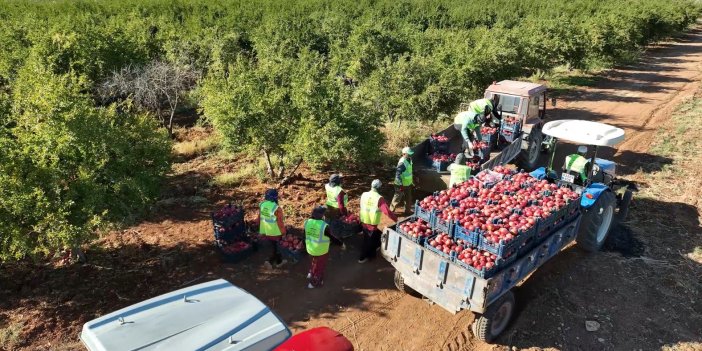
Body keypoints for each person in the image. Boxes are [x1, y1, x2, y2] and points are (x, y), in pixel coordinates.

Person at [359, 179, 398, 263]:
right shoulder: (379, 198)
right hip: (371, 222)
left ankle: (375, 247)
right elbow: (387, 211)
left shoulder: (364, 194)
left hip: (364, 220)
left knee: (374, 235)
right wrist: (396, 219)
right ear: (379, 188)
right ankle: (362, 257)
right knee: (368, 241)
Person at [257, 189, 287, 269]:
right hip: (275, 232)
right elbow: (280, 223)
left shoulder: (262, 204)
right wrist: (283, 233)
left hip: (265, 230)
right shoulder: (276, 208)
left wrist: (259, 229)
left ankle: (278, 261)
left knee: (273, 246)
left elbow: (259, 218)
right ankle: (270, 261)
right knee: (276, 247)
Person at [304, 206, 332, 288]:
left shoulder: (307, 222)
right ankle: (314, 283)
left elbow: (304, 235)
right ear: (322, 216)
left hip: (310, 248)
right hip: (321, 250)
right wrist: (340, 243)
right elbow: (331, 237)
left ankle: (311, 273)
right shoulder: (324, 226)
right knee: (320, 267)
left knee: (314, 261)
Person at [390, 147, 414, 214]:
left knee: (408, 198)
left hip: (407, 183)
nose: (410, 155)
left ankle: (407, 211)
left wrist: (413, 178)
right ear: (404, 154)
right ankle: (391, 211)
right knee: (397, 198)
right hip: (400, 184)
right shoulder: (402, 162)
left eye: (410, 154)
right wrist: (400, 185)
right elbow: (398, 174)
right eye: (408, 154)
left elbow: (409, 171)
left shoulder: (409, 159)